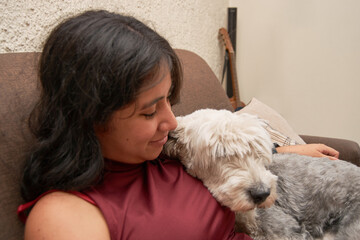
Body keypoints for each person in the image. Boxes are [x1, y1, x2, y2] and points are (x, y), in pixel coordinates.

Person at [18, 9, 339, 240]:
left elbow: (223, 144)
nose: (171, 120)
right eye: (149, 112)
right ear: (91, 115)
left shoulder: (163, 149)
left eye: (169, 99)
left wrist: (287, 150)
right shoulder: (64, 216)